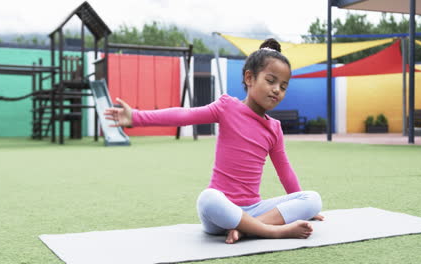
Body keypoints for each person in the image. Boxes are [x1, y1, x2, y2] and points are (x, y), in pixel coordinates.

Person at [104, 38, 323, 244]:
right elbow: (185, 115)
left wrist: (305, 206)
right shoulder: (227, 107)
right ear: (249, 78)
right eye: (271, 81)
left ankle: (246, 228)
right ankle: (270, 231)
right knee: (207, 198)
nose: (277, 90)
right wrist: (136, 117)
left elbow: (285, 171)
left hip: (254, 210)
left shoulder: (274, 128)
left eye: (283, 86)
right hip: (220, 211)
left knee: (313, 199)